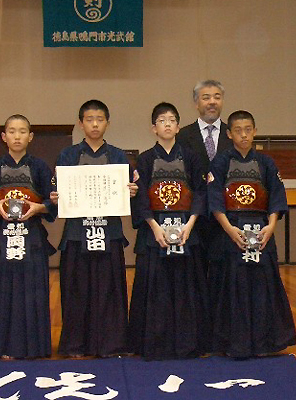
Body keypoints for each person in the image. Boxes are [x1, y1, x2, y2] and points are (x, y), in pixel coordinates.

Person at [50, 99, 138, 358]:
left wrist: (131, 192)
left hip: (108, 232)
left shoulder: (118, 155)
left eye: (100, 119)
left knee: (109, 288)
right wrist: (56, 197)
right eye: (89, 119)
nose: (95, 124)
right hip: (77, 233)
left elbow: (128, 193)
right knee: (77, 290)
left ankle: (112, 344)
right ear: (81, 124)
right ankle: (76, 345)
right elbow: (56, 192)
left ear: (108, 124)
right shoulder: (68, 155)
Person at [207, 110, 296, 358]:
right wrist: (229, 230)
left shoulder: (266, 163)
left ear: (255, 131)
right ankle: (234, 343)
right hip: (232, 230)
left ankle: (264, 342)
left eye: (248, 129)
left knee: (262, 286)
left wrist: (271, 226)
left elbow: (277, 198)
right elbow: (214, 201)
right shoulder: (221, 162)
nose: (244, 135)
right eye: (238, 130)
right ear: (229, 134)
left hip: (262, 230)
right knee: (233, 286)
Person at [128, 102, 212, 360]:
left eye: (172, 120)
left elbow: (200, 191)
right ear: (154, 128)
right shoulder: (144, 159)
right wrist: (153, 226)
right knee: (155, 288)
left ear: (177, 126)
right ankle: (154, 344)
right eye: (161, 120)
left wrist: (190, 224)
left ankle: (189, 344)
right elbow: (140, 197)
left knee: (187, 287)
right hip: (155, 233)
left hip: (187, 229)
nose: (167, 124)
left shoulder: (191, 157)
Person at [0, 114, 56, 359]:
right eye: (12, 131)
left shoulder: (40, 167)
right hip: (2, 237)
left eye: (22, 131)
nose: (17, 136)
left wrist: (38, 208)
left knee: (33, 292)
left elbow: (54, 202)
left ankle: (36, 348)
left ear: (30, 137)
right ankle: (3, 348)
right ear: (4, 137)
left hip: (31, 238)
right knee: (3, 291)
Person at [176, 80, 233, 280]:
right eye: (206, 97)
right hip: (194, 216)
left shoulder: (232, 133)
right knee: (195, 273)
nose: (212, 102)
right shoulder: (182, 135)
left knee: (222, 273)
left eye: (217, 97)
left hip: (226, 216)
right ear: (196, 103)